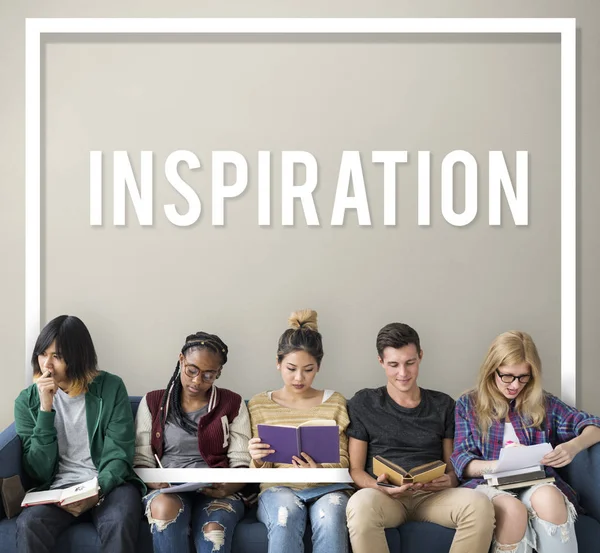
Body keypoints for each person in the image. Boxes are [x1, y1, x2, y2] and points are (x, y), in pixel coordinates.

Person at [346, 322, 495, 553]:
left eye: (410, 363)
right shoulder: (364, 403)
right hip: (384, 497)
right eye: (394, 365)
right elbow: (355, 470)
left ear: (420, 356)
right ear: (381, 362)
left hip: (432, 497)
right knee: (359, 504)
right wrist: (378, 486)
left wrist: (451, 479)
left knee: (479, 504)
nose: (403, 373)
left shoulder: (443, 404)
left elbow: (452, 466)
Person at [451, 330, 600, 553]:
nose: (515, 385)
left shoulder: (542, 403)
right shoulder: (468, 404)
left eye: (523, 377)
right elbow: (462, 461)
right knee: (512, 511)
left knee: (550, 498)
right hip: (488, 485)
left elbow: (594, 425)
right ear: (492, 370)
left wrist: (572, 446)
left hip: (534, 482)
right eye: (508, 376)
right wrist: (504, 463)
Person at [14, 315, 143, 553]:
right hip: (57, 489)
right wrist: (45, 409)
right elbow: (38, 470)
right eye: (43, 354)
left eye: (58, 356)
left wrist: (97, 491)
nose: (47, 365)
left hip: (108, 485)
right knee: (30, 524)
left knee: (119, 519)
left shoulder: (111, 387)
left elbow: (119, 453)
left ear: (78, 357)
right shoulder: (27, 401)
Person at [134, 331, 251, 553]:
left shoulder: (232, 403)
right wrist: (153, 482)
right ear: (181, 360)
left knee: (213, 530)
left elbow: (241, 460)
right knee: (163, 510)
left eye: (208, 375)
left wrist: (229, 486)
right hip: (168, 487)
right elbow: (141, 457)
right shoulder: (154, 402)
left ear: (219, 373)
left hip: (217, 488)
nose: (197, 381)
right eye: (191, 370)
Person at [248, 309, 351, 553]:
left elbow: (346, 460)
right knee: (285, 516)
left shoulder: (336, 402)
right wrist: (257, 459)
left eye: (308, 369)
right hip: (278, 489)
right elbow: (257, 472)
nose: (299, 378)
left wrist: (319, 472)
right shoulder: (259, 404)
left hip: (329, 488)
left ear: (318, 367)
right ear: (278, 363)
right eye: (291, 368)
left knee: (331, 517)